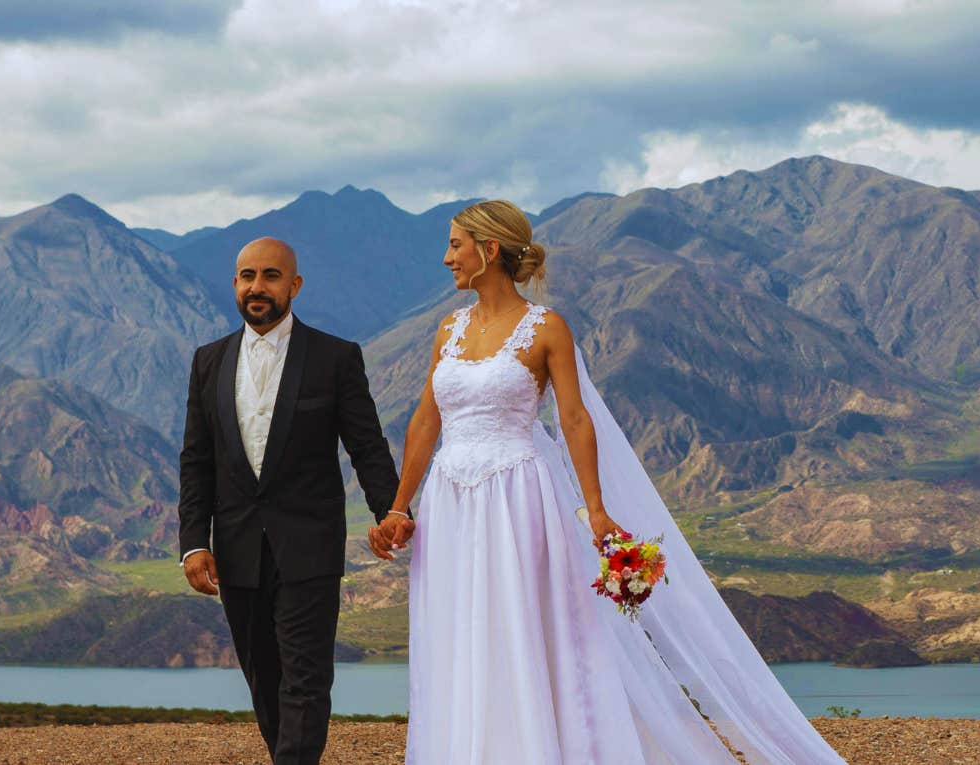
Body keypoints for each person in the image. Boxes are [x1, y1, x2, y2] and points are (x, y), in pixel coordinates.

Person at [369, 201, 847, 763]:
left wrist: (595, 510)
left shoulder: (545, 328)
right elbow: (427, 420)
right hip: (451, 500)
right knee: (459, 633)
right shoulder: (447, 329)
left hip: (519, 497)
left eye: (455, 244)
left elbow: (573, 419)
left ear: (489, 249)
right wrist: (401, 508)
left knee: (522, 630)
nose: (446, 257)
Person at [178, 237, 411, 765]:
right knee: (264, 678)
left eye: (270, 276)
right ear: (235, 284)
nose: (256, 287)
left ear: (295, 285)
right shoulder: (207, 362)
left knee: (305, 680)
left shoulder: (334, 357)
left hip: (309, 547)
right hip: (236, 550)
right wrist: (194, 542)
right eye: (245, 276)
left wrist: (390, 510)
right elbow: (196, 461)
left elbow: (366, 445)